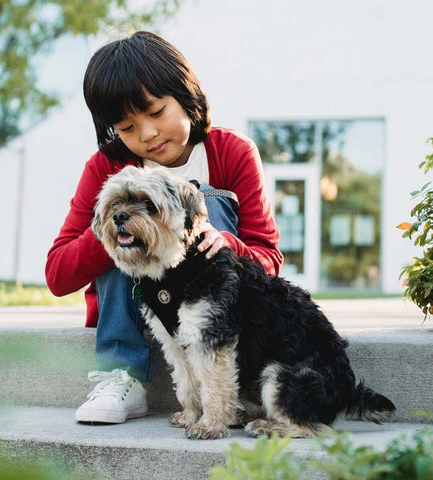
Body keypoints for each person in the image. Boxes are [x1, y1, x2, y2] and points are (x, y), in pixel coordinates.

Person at [45, 31, 283, 424]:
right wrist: (117, 222)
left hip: (213, 319)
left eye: (156, 113)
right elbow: (57, 274)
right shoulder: (106, 169)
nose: (147, 134)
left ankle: (221, 385)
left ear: (186, 95)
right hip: (137, 312)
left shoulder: (232, 152)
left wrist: (224, 244)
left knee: (205, 200)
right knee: (121, 222)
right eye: (126, 127)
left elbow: (269, 260)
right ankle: (121, 374)